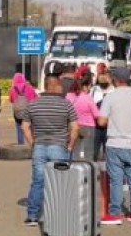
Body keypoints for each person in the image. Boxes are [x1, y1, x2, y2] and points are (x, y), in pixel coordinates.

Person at [21, 70, 79, 226]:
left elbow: (25, 126)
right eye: (60, 85)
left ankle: (32, 216)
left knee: (38, 181)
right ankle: (58, 215)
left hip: (39, 147)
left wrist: (32, 142)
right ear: (54, 86)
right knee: (59, 182)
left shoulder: (32, 103)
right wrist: (70, 145)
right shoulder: (66, 104)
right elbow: (74, 127)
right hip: (59, 147)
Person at [97, 67, 131, 224]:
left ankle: (115, 213)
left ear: (115, 79)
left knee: (116, 180)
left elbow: (102, 121)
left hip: (115, 142)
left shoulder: (110, 98)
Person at [66, 77, 100, 160]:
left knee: (74, 150)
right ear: (84, 87)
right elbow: (96, 114)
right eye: (89, 86)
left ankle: (75, 169)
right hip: (88, 127)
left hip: (73, 126)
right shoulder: (87, 97)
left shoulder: (68, 96)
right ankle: (87, 170)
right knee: (88, 151)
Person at [9, 72, 37, 145]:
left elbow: (11, 100)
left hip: (17, 112)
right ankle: (32, 143)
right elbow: (35, 98)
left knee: (19, 128)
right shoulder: (29, 88)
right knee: (30, 128)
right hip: (29, 111)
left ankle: (21, 144)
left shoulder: (12, 89)